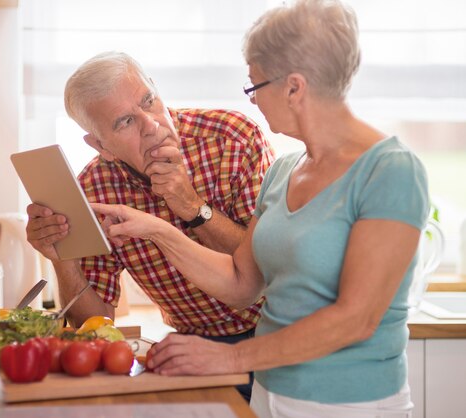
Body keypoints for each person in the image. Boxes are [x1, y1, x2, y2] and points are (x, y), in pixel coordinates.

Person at [91, 1, 429, 417]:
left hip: (352, 402)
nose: (251, 101)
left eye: (254, 87)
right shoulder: (285, 171)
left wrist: (230, 360)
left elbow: (355, 319)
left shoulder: (390, 170)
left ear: (294, 88)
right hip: (272, 393)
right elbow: (242, 282)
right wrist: (157, 230)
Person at [25, 51, 275, 401]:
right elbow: (94, 323)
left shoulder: (233, 138)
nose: (152, 125)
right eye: (125, 122)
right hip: (193, 346)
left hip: (277, 333)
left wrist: (190, 205)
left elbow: (266, 269)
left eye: (149, 101)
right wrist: (60, 257)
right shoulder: (94, 190)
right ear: (101, 146)